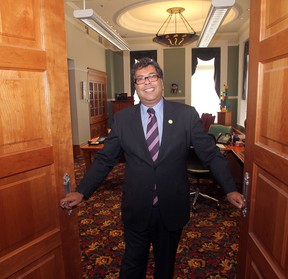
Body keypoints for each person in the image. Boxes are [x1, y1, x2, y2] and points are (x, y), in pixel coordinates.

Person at [60, 57, 244, 279]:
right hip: (136, 206)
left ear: (161, 81)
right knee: (131, 265)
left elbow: (211, 154)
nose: (147, 82)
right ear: (135, 86)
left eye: (151, 76)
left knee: (165, 267)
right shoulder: (122, 119)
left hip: (172, 207)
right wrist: (82, 190)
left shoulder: (186, 115)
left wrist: (229, 188)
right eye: (140, 79)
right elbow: (105, 159)